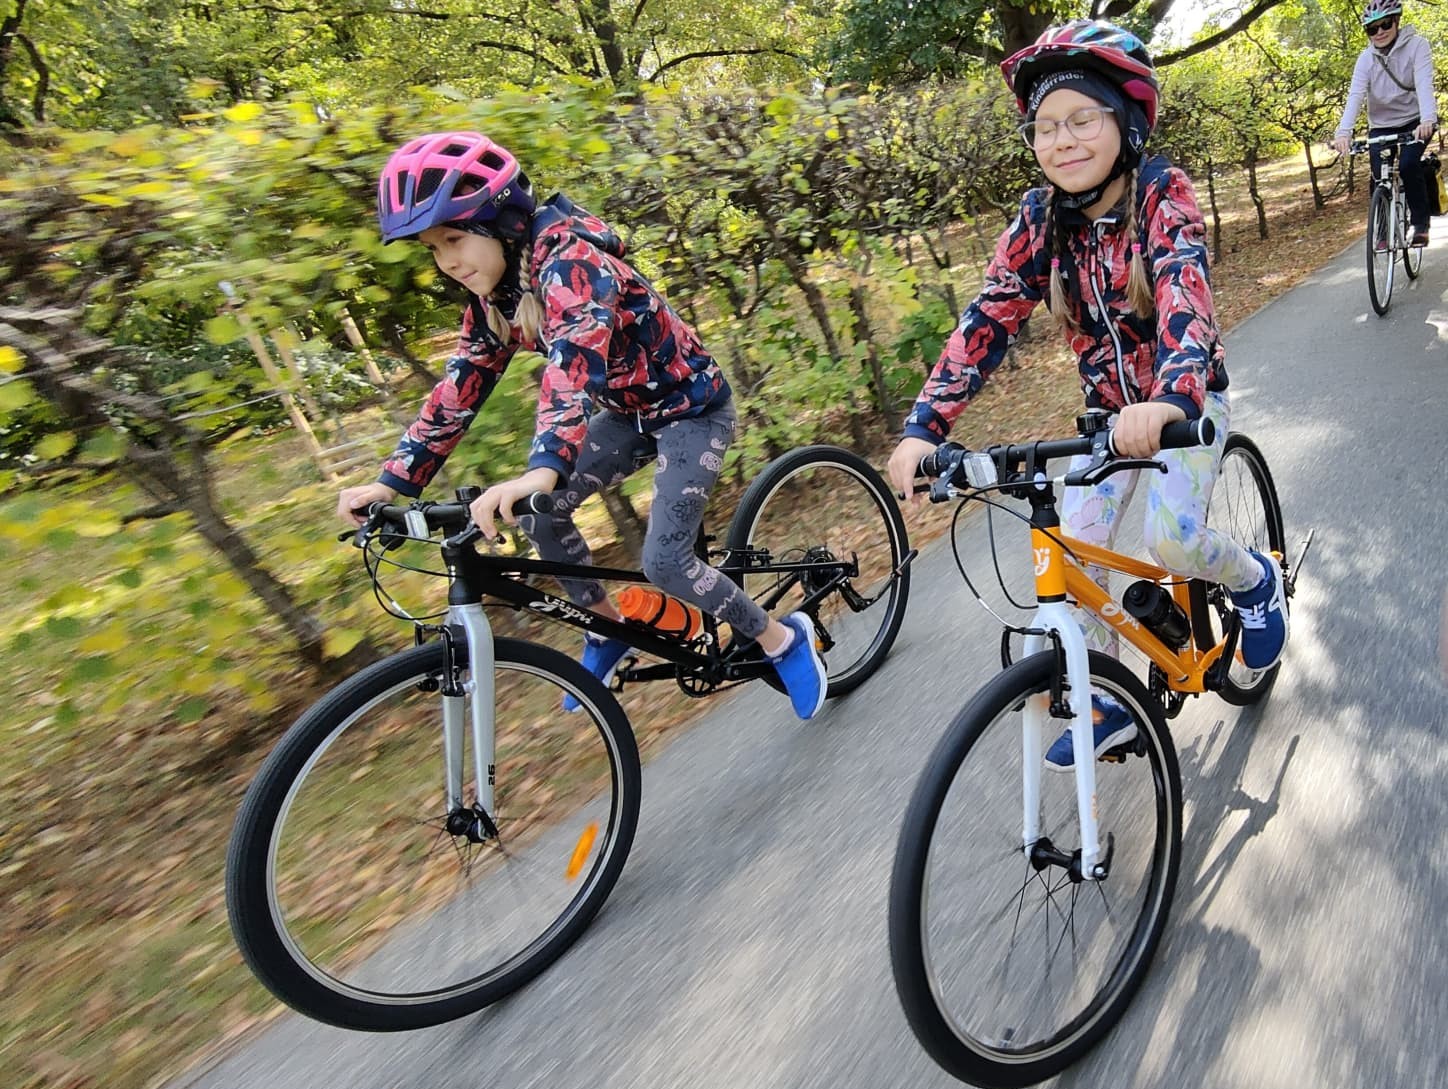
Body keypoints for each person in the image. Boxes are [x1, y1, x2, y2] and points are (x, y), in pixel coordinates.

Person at [885, 19, 1289, 766]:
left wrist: (1172, 397)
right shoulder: (1040, 220)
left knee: (1171, 539)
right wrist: (924, 426)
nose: (1062, 141)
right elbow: (990, 315)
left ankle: (1257, 582)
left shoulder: (1161, 192)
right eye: (1044, 128)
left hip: (1183, 408)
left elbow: (1183, 292)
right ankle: (1110, 702)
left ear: (1126, 124)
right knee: (1076, 556)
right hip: (1108, 421)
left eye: (1081, 120)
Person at [338, 132, 828, 719]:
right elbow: (458, 389)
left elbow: (572, 364)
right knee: (540, 518)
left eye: (454, 238)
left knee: (666, 562)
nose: (447, 261)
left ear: (499, 221)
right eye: (432, 248)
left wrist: (543, 468)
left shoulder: (573, 262)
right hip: (627, 416)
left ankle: (780, 639)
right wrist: (394, 483)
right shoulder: (498, 295)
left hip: (691, 411)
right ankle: (607, 627)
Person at [1332, 2, 1438, 247]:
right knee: (1379, 175)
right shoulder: (1365, 59)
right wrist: (1343, 132)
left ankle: (1420, 225)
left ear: (1397, 22)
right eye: (1372, 28)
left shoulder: (1417, 46)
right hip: (1381, 125)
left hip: (1415, 121)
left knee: (1410, 164)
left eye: (1385, 24)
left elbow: (1424, 84)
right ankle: (1381, 232)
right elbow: (1356, 95)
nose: (1379, 32)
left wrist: (1428, 120)